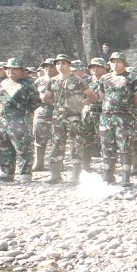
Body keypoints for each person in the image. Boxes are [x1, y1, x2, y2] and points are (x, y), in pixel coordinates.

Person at [44, 54, 98, 183]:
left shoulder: (78, 80)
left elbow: (92, 96)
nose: (60, 66)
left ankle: (75, 175)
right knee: (57, 143)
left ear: (69, 65)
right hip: (58, 116)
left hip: (74, 117)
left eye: (63, 63)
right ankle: (55, 175)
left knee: (75, 143)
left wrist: (80, 105)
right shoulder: (53, 81)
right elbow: (46, 97)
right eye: (58, 64)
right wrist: (57, 106)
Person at [97, 52, 137, 186]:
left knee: (125, 147)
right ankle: (108, 175)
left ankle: (125, 177)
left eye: (118, 61)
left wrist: (126, 108)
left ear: (124, 63)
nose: (115, 64)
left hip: (124, 117)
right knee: (107, 146)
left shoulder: (132, 77)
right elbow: (102, 96)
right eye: (113, 61)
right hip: (107, 117)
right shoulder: (105, 78)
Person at [0, 58, 41, 182]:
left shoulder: (27, 84)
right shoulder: (2, 83)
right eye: (9, 68)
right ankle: (7, 172)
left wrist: (23, 113)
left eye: (15, 69)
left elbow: (36, 102)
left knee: (23, 147)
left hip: (20, 121)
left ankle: (25, 174)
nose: (11, 71)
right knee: (4, 147)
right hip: (3, 120)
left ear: (21, 71)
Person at [82, 58, 107, 181]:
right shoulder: (86, 81)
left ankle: (107, 166)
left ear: (104, 67)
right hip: (88, 113)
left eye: (98, 66)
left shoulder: (108, 80)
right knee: (85, 140)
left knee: (104, 141)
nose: (95, 68)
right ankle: (85, 165)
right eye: (93, 66)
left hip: (102, 113)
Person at [32, 58, 57, 172]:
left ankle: (57, 164)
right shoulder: (38, 81)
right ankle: (39, 163)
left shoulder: (61, 80)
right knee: (39, 138)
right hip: (41, 112)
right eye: (46, 66)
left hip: (57, 112)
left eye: (51, 66)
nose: (48, 68)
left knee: (58, 140)